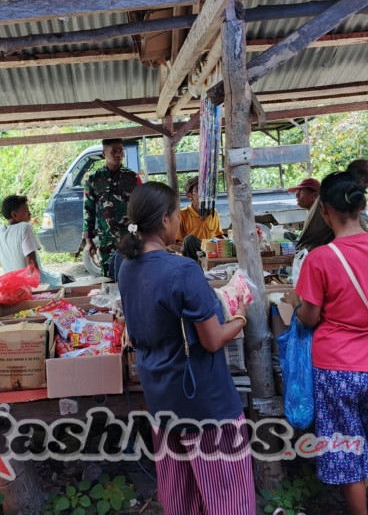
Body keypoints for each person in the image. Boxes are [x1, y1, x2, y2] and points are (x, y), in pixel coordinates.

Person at [116, 182, 254, 515]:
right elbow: (212, 339)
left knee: (181, 493)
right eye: (177, 215)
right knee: (226, 495)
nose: (179, 222)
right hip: (204, 401)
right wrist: (240, 317)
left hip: (161, 396)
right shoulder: (182, 270)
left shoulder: (126, 267)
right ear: (165, 220)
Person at [283, 171, 368, 515]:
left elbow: (310, 317)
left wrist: (299, 308)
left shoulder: (320, 258)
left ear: (324, 210)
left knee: (348, 454)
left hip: (335, 369)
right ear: (362, 206)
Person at [82, 138, 141, 277]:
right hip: (106, 239)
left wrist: (143, 233)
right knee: (110, 276)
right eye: (114, 151)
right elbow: (88, 210)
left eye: (121, 151)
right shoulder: (93, 179)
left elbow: (141, 206)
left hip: (129, 237)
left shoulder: (133, 177)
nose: (118, 154)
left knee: (133, 274)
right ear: (104, 153)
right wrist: (89, 241)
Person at [0, 195, 64, 288]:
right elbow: (31, 261)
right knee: (67, 279)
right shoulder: (24, 227)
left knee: (61, 277)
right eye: (26, 211)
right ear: (14, 215)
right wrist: (36, 289)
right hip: (40, 282)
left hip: (16, 286)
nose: (30, 214)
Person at [296, 159, 368, 252]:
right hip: (315, 252)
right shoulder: (337, 198)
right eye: (363, 189)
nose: (360, 195)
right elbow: (355, 231)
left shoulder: (334, 193)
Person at [175, 175, 224, 261]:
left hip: (209, 256)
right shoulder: (182, 214)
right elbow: (172, 244)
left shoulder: (213, 213)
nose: (203, 193)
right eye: (198, 190)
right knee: (189, 240)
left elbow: (218, 236)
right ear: (189, 196)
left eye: (205, 190)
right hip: (191, 257)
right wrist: (186, 248)